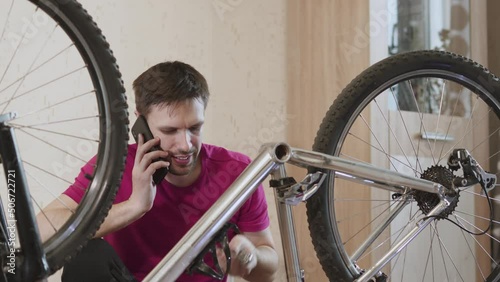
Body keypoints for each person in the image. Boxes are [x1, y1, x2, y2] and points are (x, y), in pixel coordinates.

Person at [37, 61, 278, 281]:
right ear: (141, 123)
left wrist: (250, 256)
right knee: (87, 254)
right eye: (170, 131)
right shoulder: (115, 166)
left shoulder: (235, 172)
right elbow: (42, 230)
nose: (185, 145)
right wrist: (133, 207)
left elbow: (268, 263)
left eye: (194, 128)